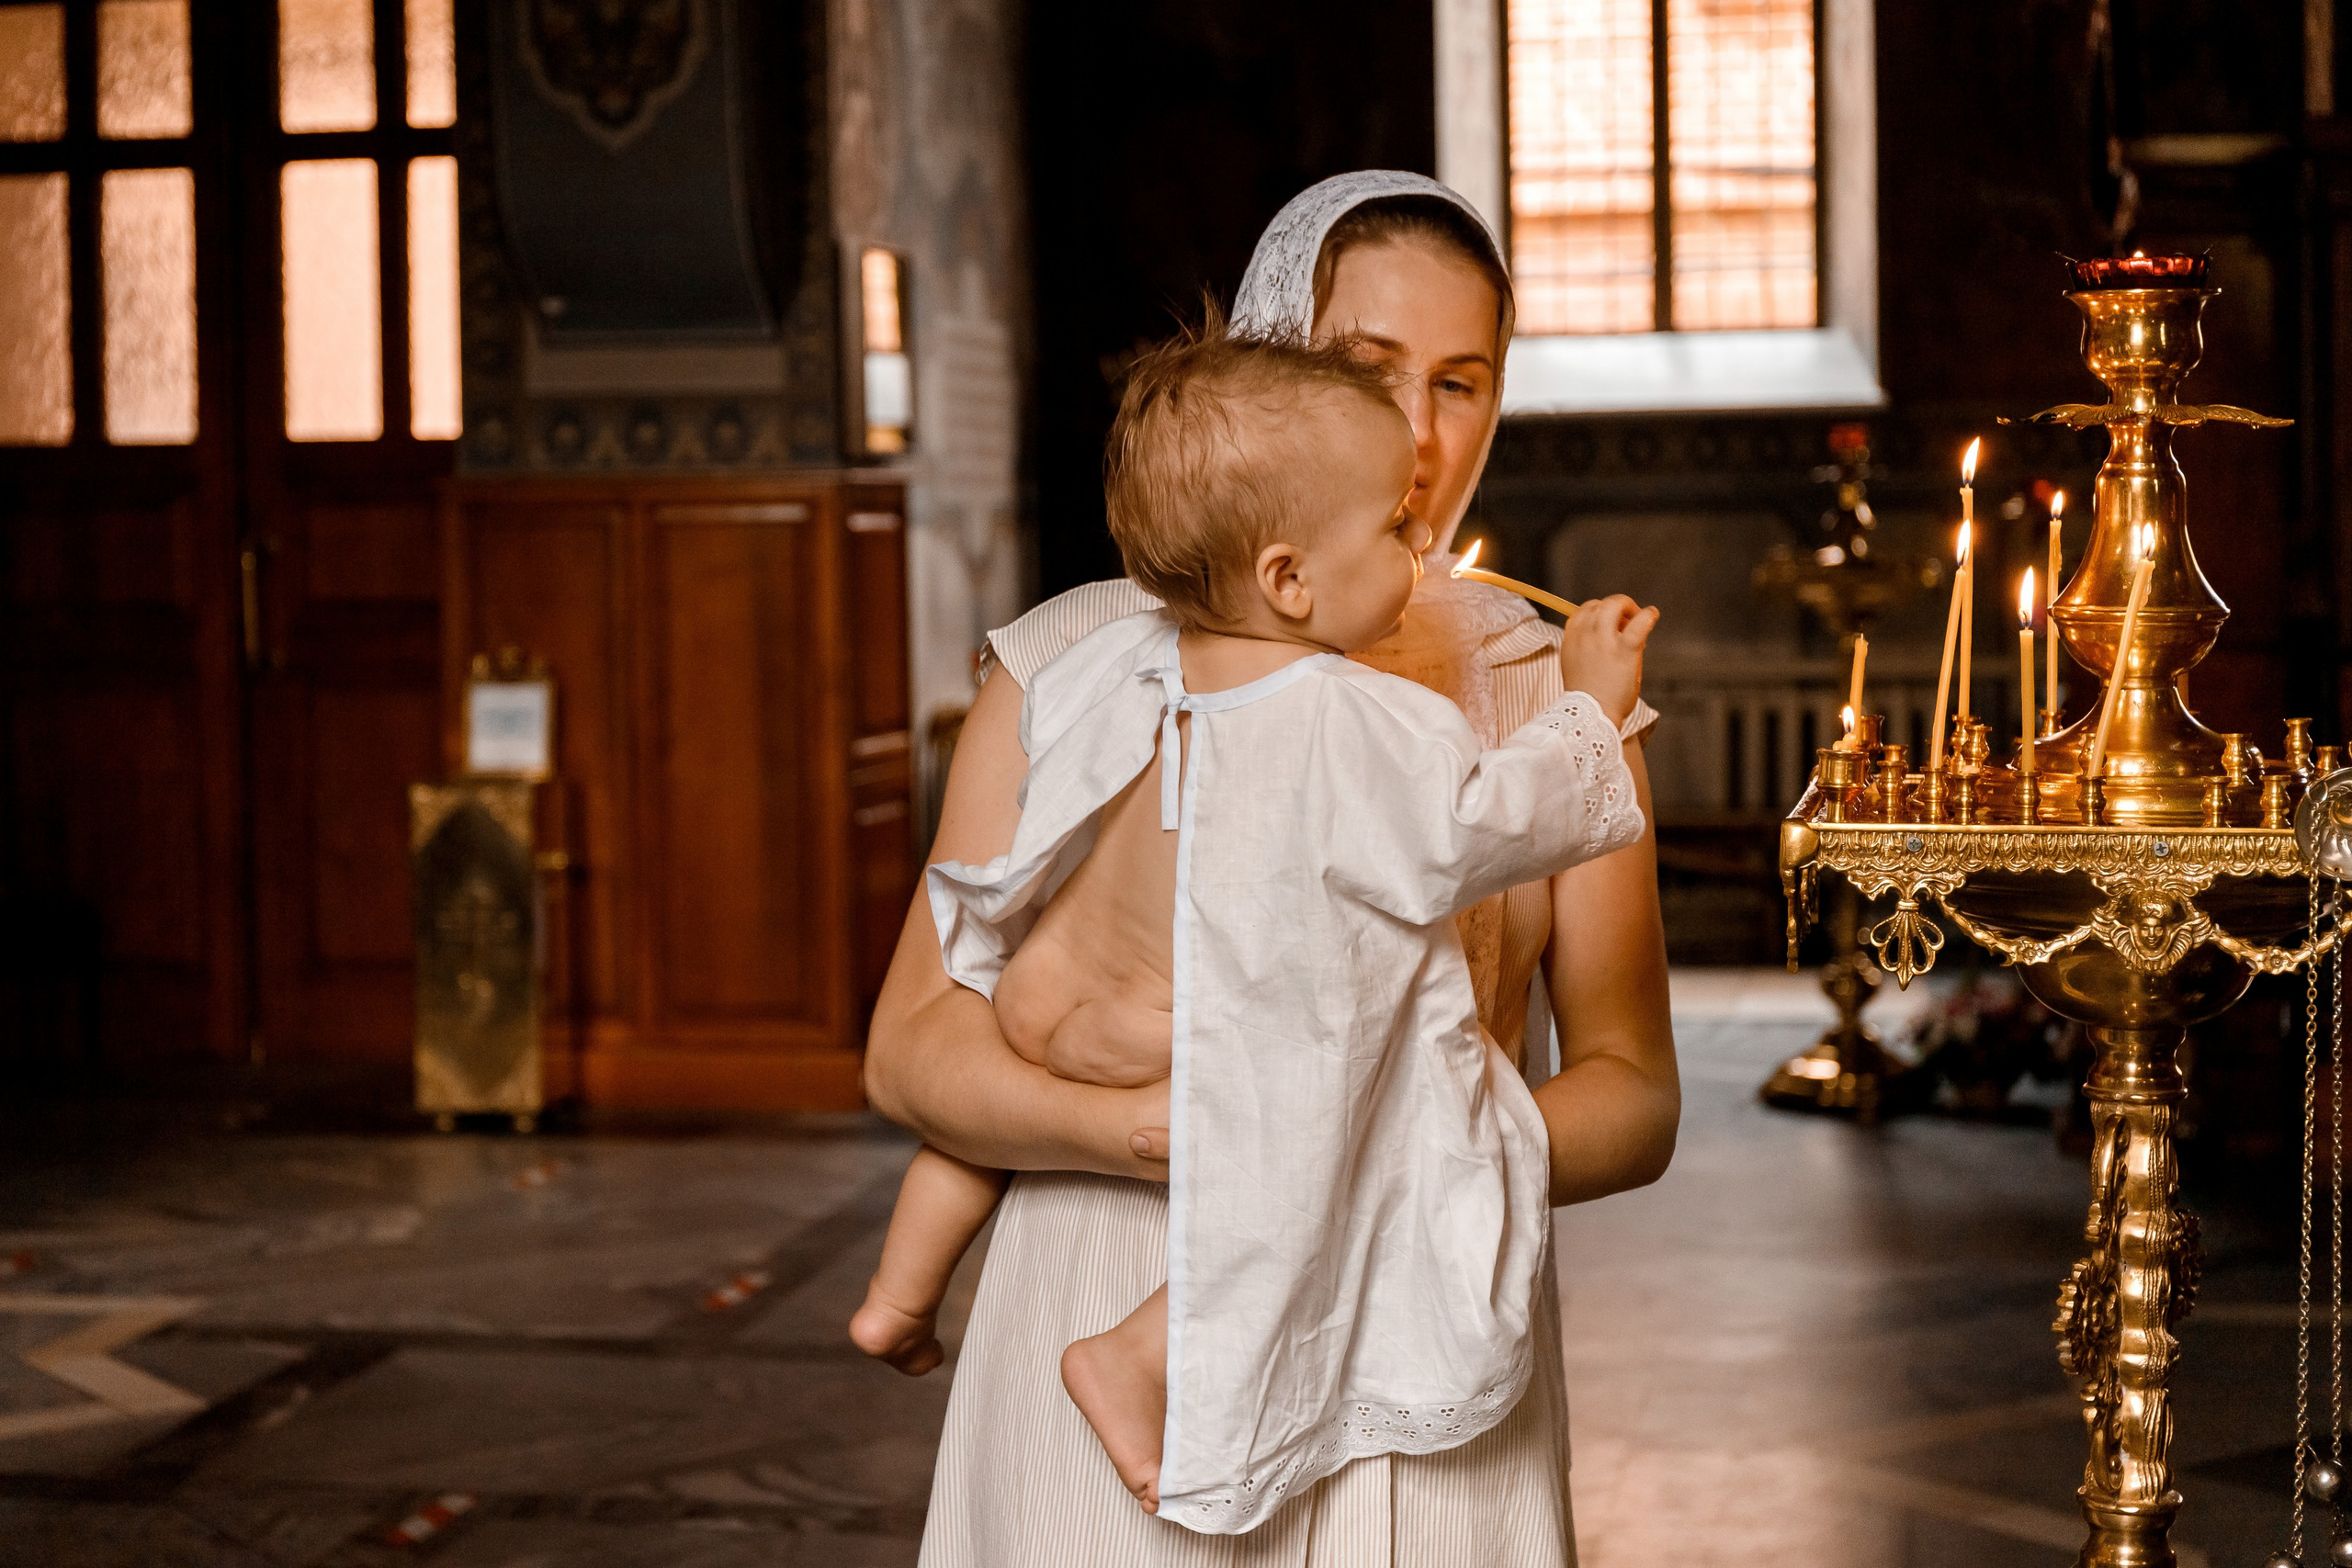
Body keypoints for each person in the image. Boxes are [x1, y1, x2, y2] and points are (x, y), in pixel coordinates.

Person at [865, 170, 1679, 1567]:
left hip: (1416, 1340)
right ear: (1268, 358)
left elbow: (1637, 1094)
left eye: (1464, 383)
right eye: (1370, 369)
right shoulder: (1066, 662)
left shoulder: (1549, 696)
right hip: (1100, 1284)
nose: (1420, 438)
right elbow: (912, 1051)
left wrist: (1403, 1162)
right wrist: (1168, 1130)